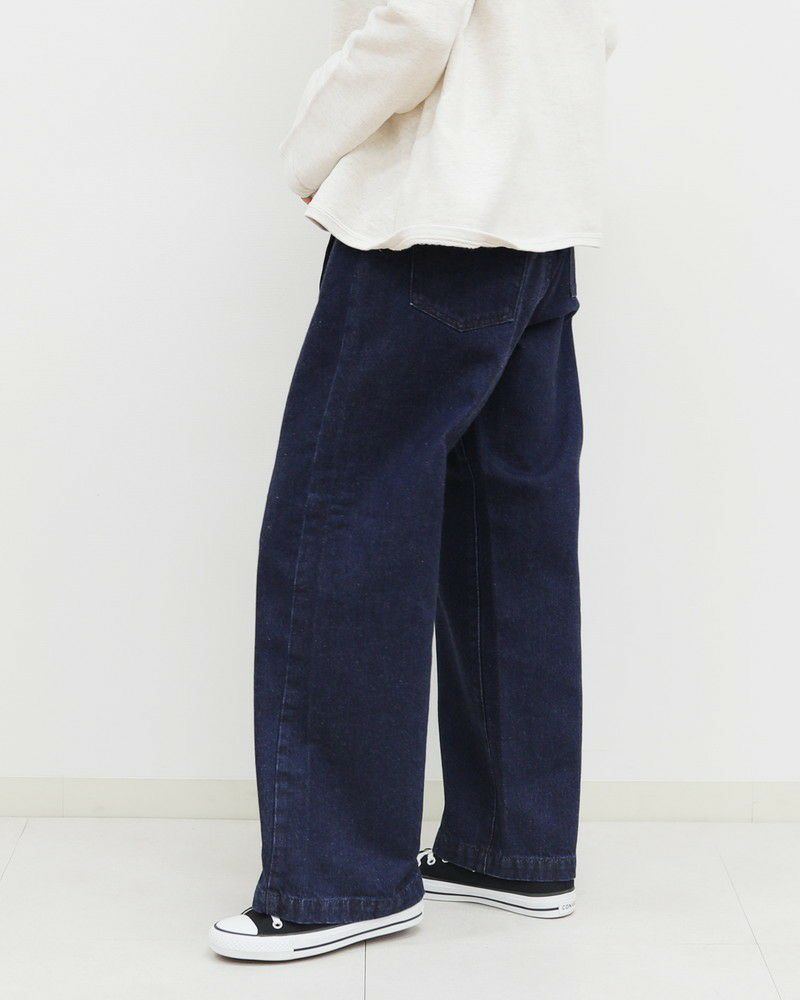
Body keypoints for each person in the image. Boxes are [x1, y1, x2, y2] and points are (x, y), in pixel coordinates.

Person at [210, 0, 617, 962]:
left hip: (431, 217)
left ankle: (339, 878)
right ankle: (510, 846)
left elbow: (414, 24)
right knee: (509, 541)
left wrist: (313, 151)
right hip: (538, 214)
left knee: (339, 529)